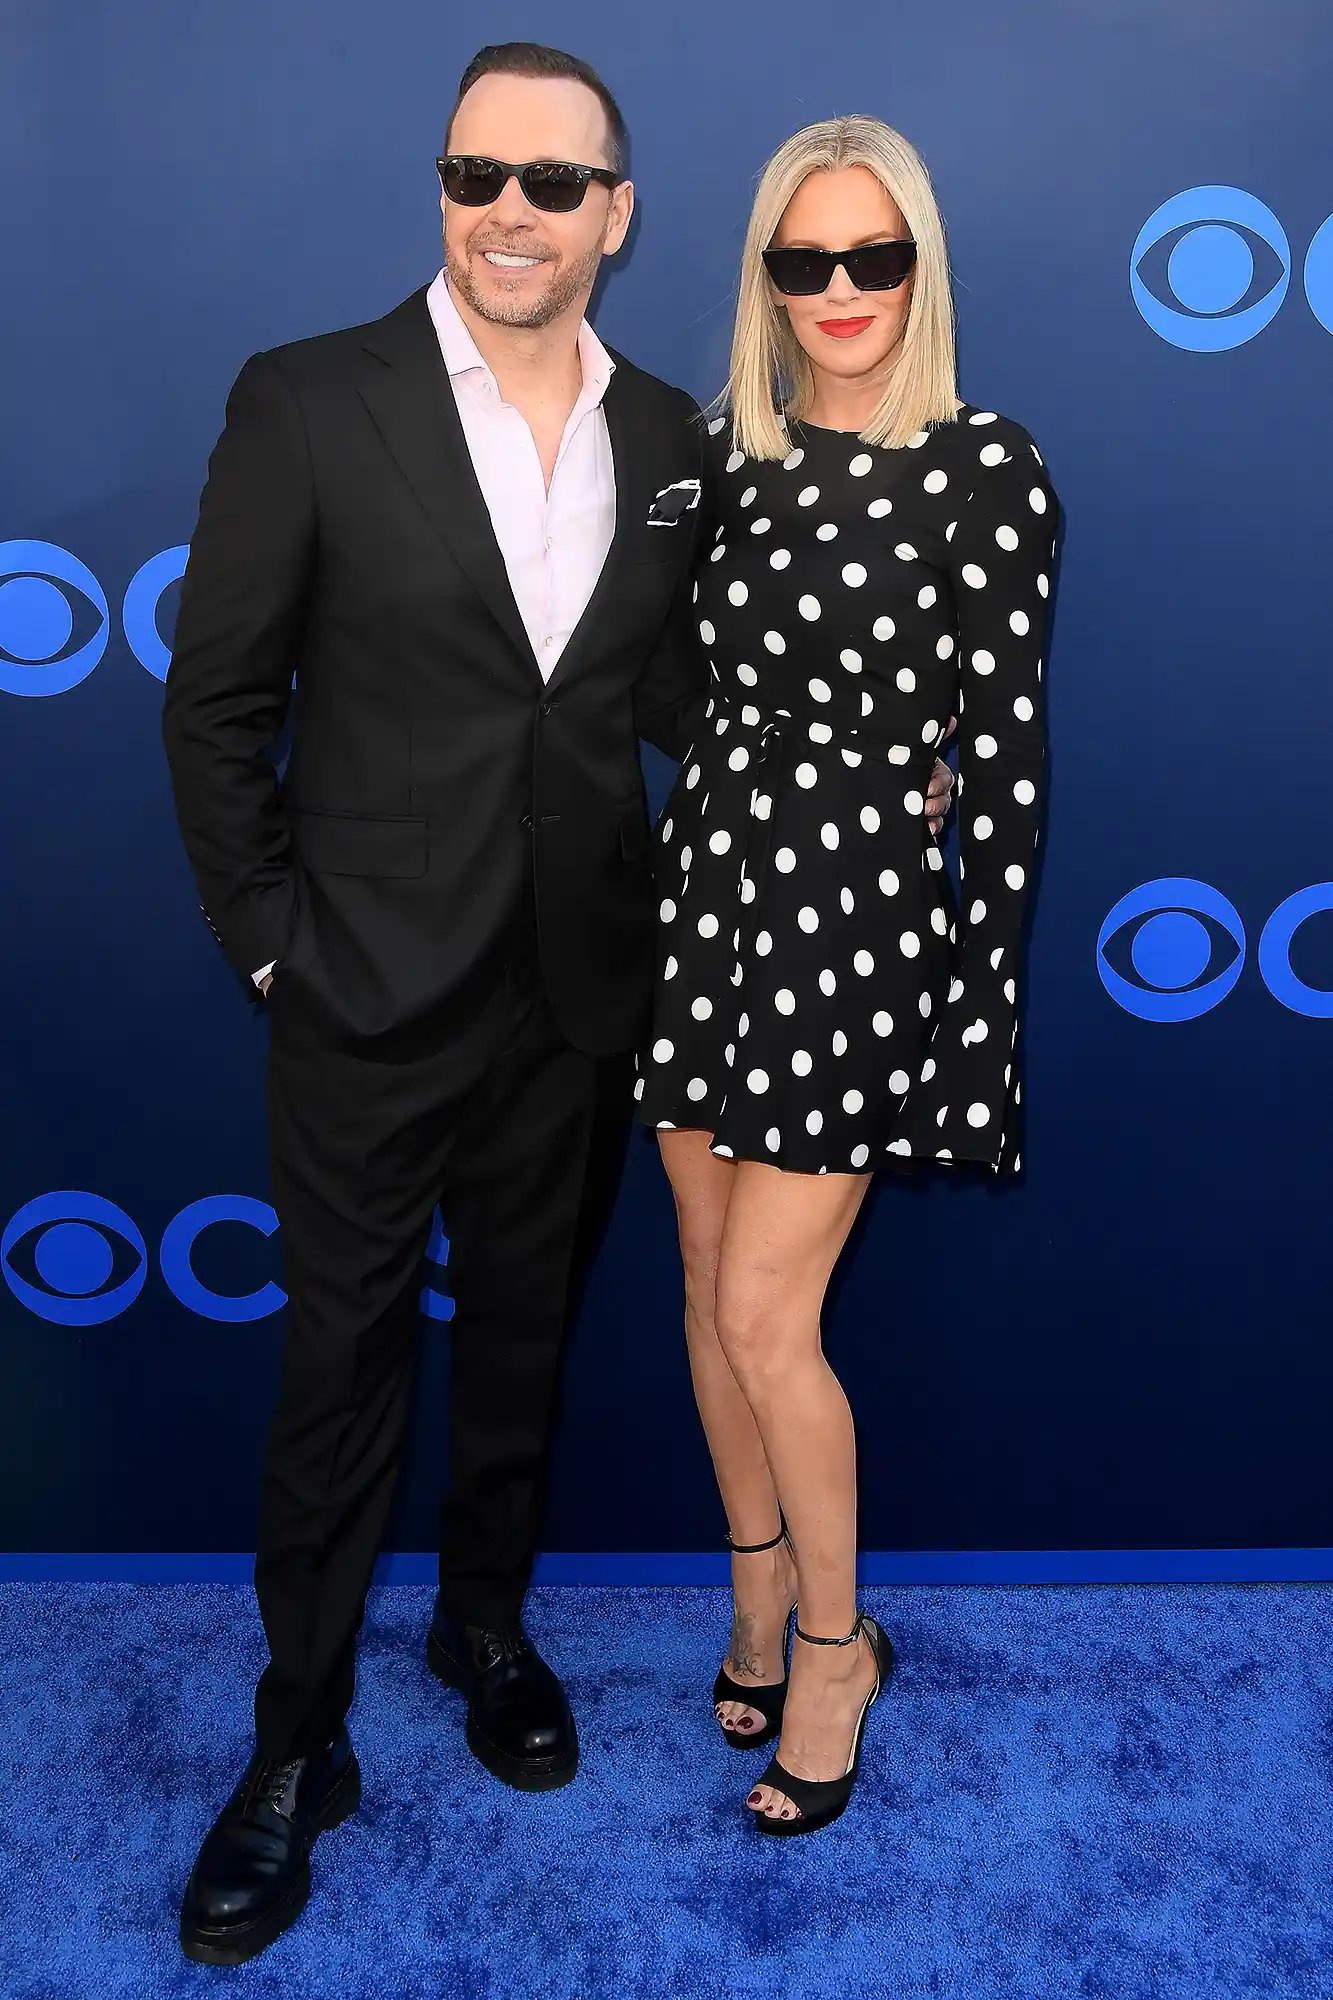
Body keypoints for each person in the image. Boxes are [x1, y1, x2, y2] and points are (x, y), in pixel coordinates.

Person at [636, 114, 1060, 1834]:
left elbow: (1011, 756)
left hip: (864, 922)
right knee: (697, 1280)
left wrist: (982, 1001)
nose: (836, 290)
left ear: (919, 268)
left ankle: (830, 1643)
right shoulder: (714, 459)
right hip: (710, 893)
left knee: (763, 1312)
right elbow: (659, 684)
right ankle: (750, 1590)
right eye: (800, 261)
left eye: (870, 257)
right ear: (762, 276)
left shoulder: (984, 466)